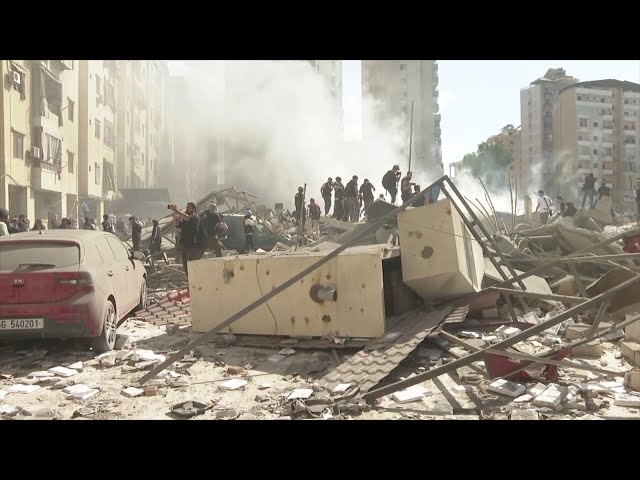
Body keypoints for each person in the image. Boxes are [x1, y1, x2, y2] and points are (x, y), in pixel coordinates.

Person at [170, 202, 202, 276]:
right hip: (184, 245)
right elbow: (176, 224)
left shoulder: (195, 218)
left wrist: (176, 211)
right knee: (186, 268)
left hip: (191, 246)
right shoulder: (185, 219)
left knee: (191, 266)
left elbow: (187, 218)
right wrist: (174, 214)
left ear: (194, 209)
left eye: (189, 207)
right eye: (187, 207)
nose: (187, 209)